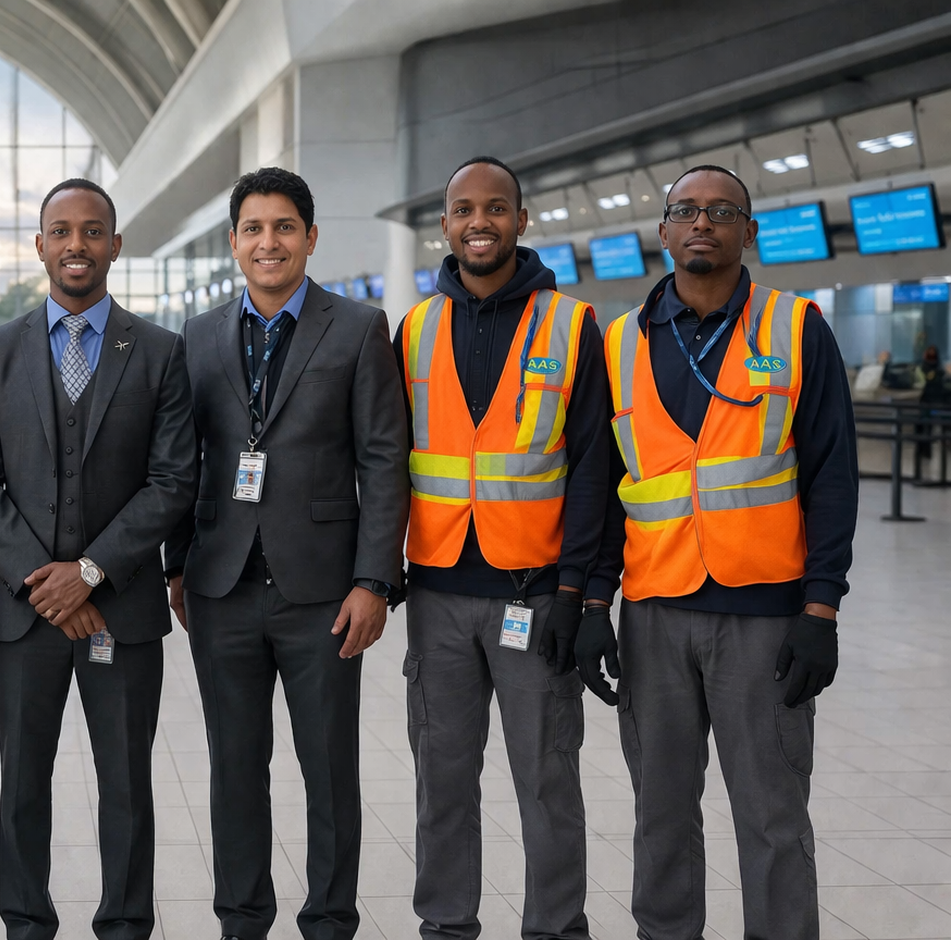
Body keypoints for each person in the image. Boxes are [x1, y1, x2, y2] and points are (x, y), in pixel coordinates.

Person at [581, 165, 859, 940]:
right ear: (663, 232)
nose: (701, 222)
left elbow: (831, 475)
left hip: (764, 616)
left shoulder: (795, 327)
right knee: (659, 815)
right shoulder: (618, 342)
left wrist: (820, 608)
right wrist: (594, 603)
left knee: (772, 815)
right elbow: (604, 487)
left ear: (748, 232)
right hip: (655, 613)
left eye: (721, 211)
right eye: (684, 211)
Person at [163, 167, 407, 940]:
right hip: (222, 585)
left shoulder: (358, 326)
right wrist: (177, 565)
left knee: (328, 771)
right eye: (253, 229)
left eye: (283, 227)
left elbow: (382, 460)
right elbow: (182, 459)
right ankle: (242, 920)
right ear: (234, 242)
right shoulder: (196, 337)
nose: (268, 242)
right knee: (235, 769)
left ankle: (330, 920)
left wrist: (374, 579)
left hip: (323, 594)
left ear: (308, 237)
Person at [0, 178, 196, 940]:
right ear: (39, 246)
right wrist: (45, 582)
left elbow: (172, 481)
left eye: (91, 231)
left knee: (125, 784)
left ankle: (125, 924)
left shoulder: (159, 352)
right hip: (23, 616)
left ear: (114, 245)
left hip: (119, 613)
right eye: (59, 231)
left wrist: (89, 572)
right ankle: (26, 923)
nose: (75, 245)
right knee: (23, 784)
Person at [395, 156, 609, 939]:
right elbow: (390, 463)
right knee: (441, 781)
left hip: (533, 594)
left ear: (521, 221)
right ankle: (445, 926)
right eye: (461, 209)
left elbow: (592, 467)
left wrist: (577, 593)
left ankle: (554, 929)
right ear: (443, 227)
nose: (477, 221)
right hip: (439, 591)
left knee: (547, 781)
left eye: (494, 207)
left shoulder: (570, 324)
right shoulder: (415, 329)